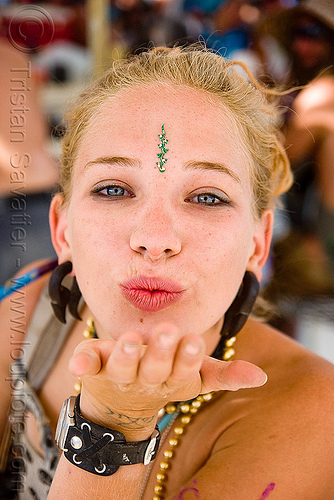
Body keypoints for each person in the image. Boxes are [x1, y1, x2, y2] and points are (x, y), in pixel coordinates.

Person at [1, 46, 334, 500]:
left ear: (258, 242)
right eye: (113, 189)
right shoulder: (27, 312)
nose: (155, 239)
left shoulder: (311, 410)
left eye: (207, 197)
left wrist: (114, 425)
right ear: (62, 230)